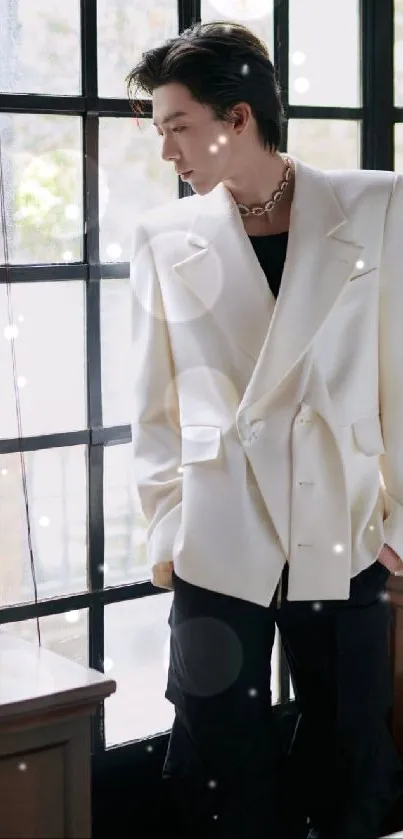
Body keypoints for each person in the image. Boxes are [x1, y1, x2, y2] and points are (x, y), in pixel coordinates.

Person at [126, 20, 403, 839]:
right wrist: (168, 531)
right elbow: (154, 408)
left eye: (178, 127)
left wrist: (398, 520)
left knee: (348, 745)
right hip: (220, 533)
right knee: (221, 758)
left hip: (343, 524)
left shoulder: (377, 205)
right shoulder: (162, 237)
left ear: (238, 118)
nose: (167, 152)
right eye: (160, 133)